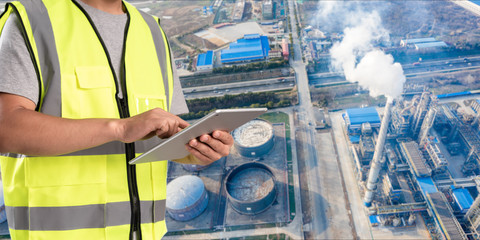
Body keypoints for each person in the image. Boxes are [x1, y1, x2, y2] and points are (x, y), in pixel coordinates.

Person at [0, 0, 233, 239]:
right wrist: (119, 128)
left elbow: (154, 133)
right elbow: (5, 130)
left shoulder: (151, 31)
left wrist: (193, 148)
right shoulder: (32, 21)